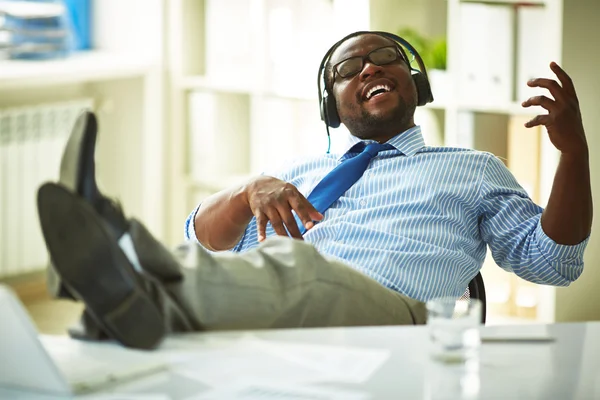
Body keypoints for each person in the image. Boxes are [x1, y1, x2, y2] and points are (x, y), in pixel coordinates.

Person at [41, 31, 591, 350]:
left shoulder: (473, 169)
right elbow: (204, 243)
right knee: (235, 277)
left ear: (416, 84)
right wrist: (243, 193)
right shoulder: (293, 173)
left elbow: (554, 262)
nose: (369, 67)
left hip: (401, 324)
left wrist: (574, 153)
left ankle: (118, 256)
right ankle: (117, 288)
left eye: (386, 59)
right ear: (334, 105)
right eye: (349, 68)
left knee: (302, 269)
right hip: (288, 314)